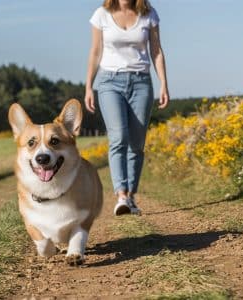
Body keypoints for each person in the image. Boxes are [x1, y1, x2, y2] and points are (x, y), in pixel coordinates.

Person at [84, 0, 169, 215]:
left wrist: (164, 85)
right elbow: (95, 52)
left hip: (141, 82)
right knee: (119, 137)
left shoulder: (149, 14)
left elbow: (156, 51)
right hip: (109, 81)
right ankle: (121, 194)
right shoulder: (101, 14)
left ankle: (130, 196)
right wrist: (88, 87)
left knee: (137, 143)